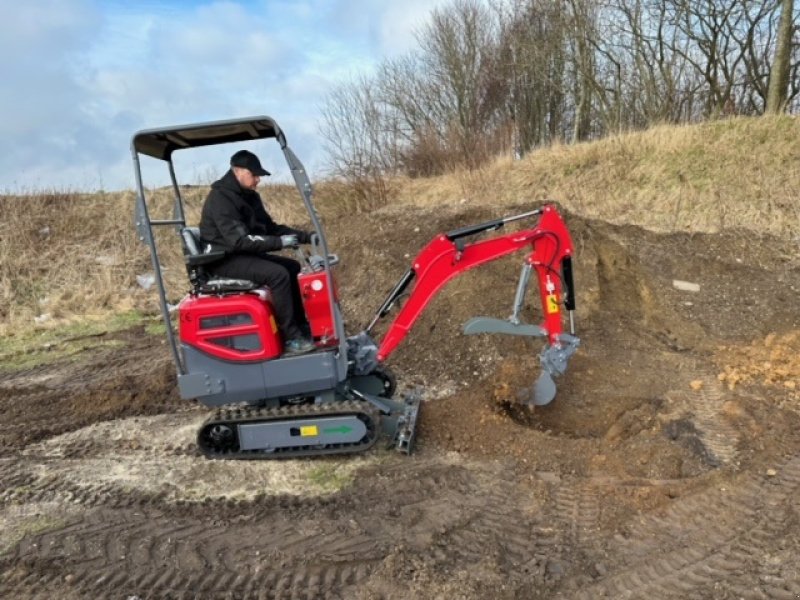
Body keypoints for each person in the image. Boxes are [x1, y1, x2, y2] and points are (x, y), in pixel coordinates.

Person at [199, 149, 314, 354]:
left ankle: (300, 326)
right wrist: (279, 242)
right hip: (223, 258)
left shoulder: (249, 197)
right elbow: (239, 241)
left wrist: (305, 236)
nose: (258, 179)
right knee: (277, 275)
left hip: (241, 254)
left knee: (292, 267)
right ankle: (291, 337)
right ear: (238, 171)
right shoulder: (221, 199)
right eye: (254, 174)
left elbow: (269, 229)